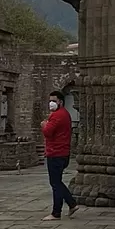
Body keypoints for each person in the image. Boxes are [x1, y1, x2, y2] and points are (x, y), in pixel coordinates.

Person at [40, 90, 78, 221]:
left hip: (56, 153)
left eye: (54, 101)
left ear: (60, 102)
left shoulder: (57, 115)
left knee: (55, 183)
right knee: (57, 182)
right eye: (50, 100)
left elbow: (48, 132)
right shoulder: (64, 114)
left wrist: (44, 124)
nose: (51, 103)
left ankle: (56, 212)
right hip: (62, 152)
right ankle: (71, 203)